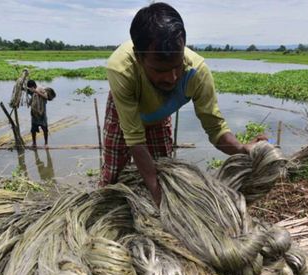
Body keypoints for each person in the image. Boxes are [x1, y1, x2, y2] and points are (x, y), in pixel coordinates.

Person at [99, 2, 267, 205]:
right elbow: (134, 139)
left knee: (163, 173)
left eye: (177, 67)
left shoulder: (197, 72)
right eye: (160, 70)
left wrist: (242, 149)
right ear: (139, 57)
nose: (171, 78)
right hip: (123, 117)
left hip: (158, 117)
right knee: (112, 175)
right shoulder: (121, 69)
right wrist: (159, 196)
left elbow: (215, 129)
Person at [26, 80, 56, 149]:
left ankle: (46, 143)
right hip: (34, 114)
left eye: (30, 88)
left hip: (42, 114)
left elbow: (46, 97)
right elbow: (25, 90)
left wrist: (36, 92)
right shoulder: (32, 92)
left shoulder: (40, 90)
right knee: (33, 130)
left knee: (45, 129)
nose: (30, 89)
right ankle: (34, 143)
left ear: (33, 87)